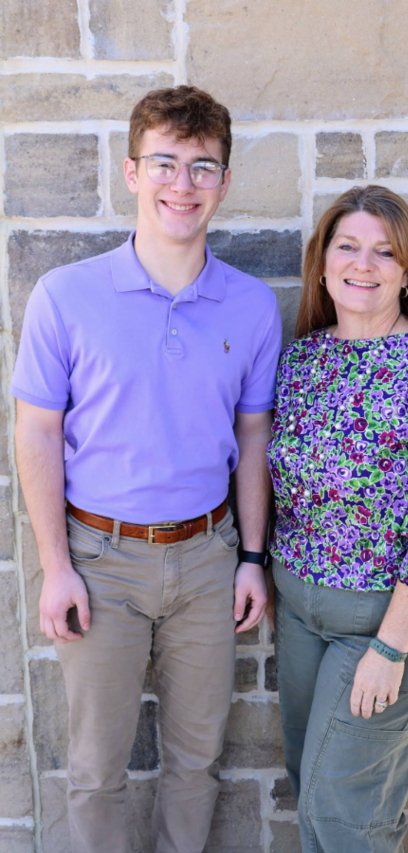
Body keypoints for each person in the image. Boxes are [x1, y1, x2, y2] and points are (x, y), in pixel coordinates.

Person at [11, 86, 281, 852]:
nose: (182, 183)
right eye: (164, 162)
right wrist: (54, 566)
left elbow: (254, 434)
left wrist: (252, 557)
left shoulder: (252, 305)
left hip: (207, 560)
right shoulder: (66, 296)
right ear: (132, 173)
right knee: (96, 769)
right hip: (100, 562)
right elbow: (35, 433)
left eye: (202, 167)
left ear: (224, 182)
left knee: (196, 763)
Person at [267, 185, 408, 852]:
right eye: (349, 246)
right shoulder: (304, 358)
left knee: (345, 810)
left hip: (391, 618)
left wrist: (390, 647)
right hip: (303, 610)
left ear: (407, 269)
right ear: (325, 260)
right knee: (314, 782)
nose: (364, 264)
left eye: (384, 252)